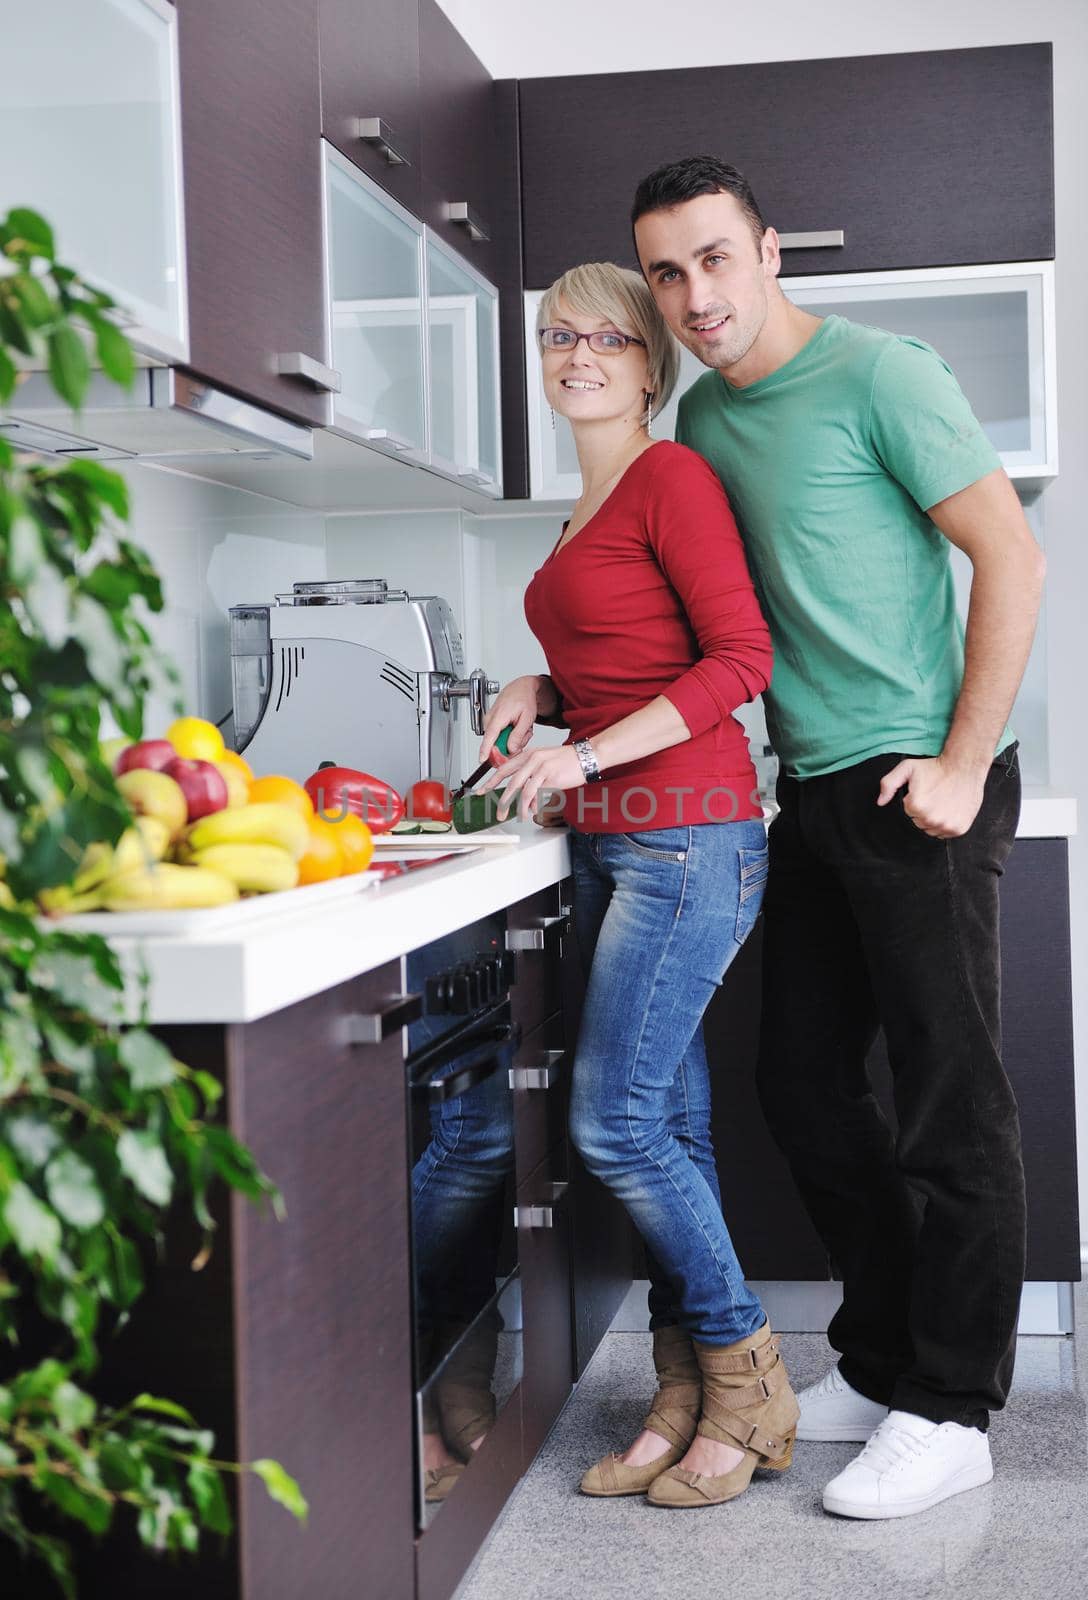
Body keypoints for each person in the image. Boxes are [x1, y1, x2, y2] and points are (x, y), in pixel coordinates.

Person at [631, 154, 1046, 1520]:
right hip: (810, 792)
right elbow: (703, 616)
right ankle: (885, 1356)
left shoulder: (883, 375)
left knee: (948, 1102)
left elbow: (1012, 555)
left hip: (922, 782)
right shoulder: (699, 419)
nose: (696, 294)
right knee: (803, 1087)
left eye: (716, 258)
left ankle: (954, 1406)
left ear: (769, 255)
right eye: (668, 272)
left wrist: (964, 765)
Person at [476, 261, 799, 1510]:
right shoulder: (585, 501)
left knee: (612, 1124)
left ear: (647, 363)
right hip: (619, 839)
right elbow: (622, 655)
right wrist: (537, 689)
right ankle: (683, 1389)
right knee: (670, 1123)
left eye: (605, 336)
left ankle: (746, 1374)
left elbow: (739, 658)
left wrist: (584, 748)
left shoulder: (668, 475)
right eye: (557, 335)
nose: (576, 354)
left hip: (688, 835)